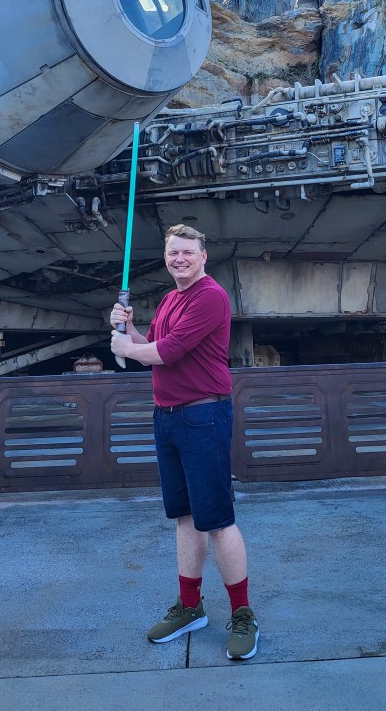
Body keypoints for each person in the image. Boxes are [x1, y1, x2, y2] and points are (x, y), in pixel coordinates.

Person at [110, 224, 259, 661]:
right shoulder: (172, 299)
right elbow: (149, 346)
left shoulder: (210, 296)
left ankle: (243, 613)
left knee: (217, 520)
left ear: (203, 256)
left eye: (188, 253)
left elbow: (166, 352)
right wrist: (131, 329)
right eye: (174, 253)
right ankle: (190, 607)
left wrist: (127, 345)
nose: (180, 259)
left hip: (203, 416)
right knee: (184, 517)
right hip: (169, 416)